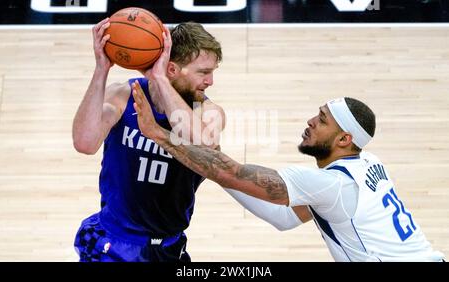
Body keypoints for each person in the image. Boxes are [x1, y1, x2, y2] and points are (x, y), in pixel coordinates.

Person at [132, 85, 446, 261]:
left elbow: (233, 173)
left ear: (344, 139)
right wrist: (212, 163)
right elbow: (283, 218)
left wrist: (158, 134)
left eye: (322, 120)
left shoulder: (329, 184)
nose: (311, 121)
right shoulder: (368, 164)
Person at [72, 18, 225, 262]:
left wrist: (162, 80)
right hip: (113, 241)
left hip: (167, 246)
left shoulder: (208, 114)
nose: (210, 82)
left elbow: (203, 148)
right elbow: (84, 143)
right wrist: (101, 69)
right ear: (173, 68)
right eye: (204, 73)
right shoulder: (123, 95)